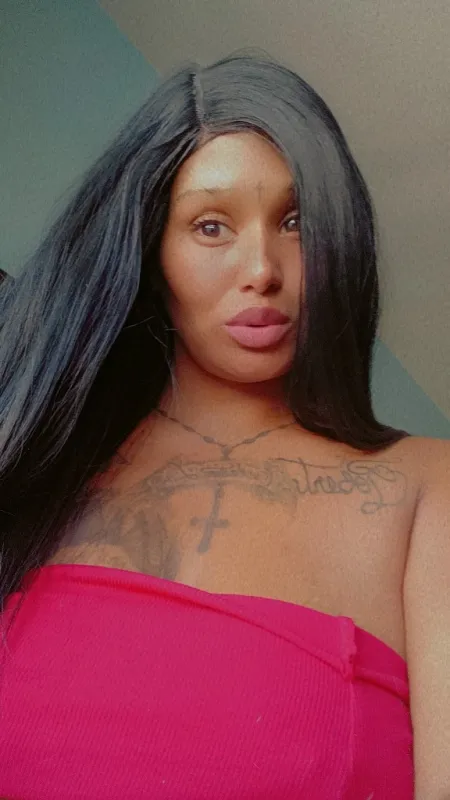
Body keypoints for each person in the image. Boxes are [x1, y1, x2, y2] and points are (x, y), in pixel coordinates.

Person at [0, 49, 448, 800]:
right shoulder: (42, 459)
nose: (262, 269)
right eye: (211, 226)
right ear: (152, 252)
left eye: (297, 222)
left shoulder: (427, 489)